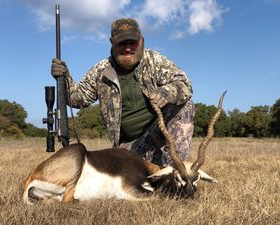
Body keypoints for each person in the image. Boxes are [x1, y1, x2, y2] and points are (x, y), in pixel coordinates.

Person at [51, 18, 195, 166]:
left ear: (142, 41)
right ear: (112, 42)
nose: (127, 48)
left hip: (157, 137)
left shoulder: (154, 60)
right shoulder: (101, 70)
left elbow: (185, 84)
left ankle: (172, 173)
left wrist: (167, 92)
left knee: (185, 107)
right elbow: (78, 98)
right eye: (122, 43)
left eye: (132, 42)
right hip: (128, 149)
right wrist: (65, 78)